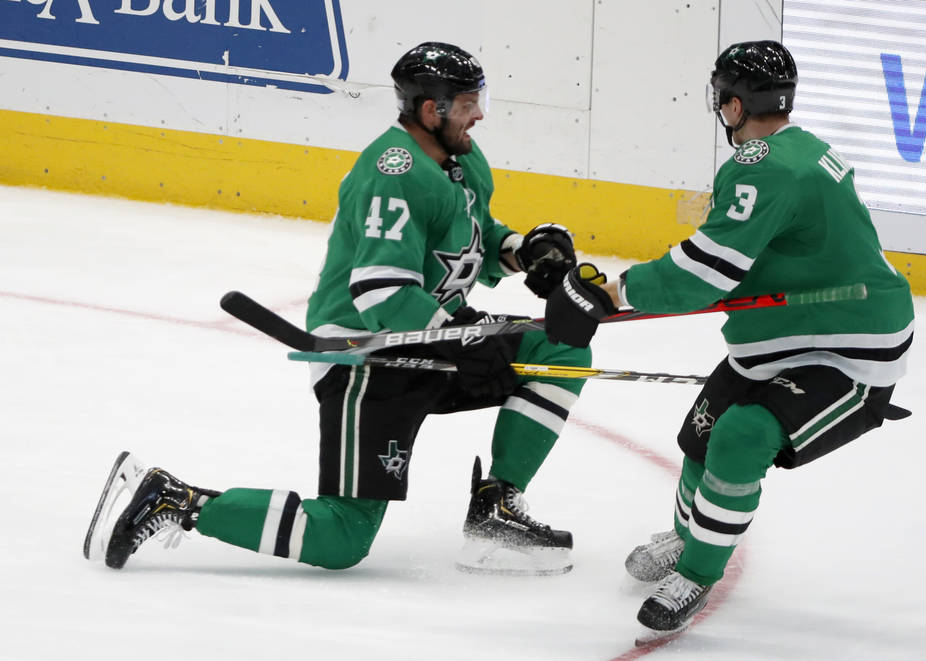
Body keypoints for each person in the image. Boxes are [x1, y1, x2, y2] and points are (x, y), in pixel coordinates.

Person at [84, 41, 590, 577]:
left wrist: (523, 250)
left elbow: (472, 237)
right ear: (430, 109)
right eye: (467, 104)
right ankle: (175, 500)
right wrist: (462, 334)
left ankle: (497, 508)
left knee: (558, 349)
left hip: (425, 343)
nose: (479, 114)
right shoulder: (393, 174)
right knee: (342, 537)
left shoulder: (461, 158)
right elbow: (381, 291)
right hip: (364, 354)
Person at [543, 40, 915, 639]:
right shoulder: (801, 148)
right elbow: (755, 259)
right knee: (701, 438)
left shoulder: (763, 165)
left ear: (736, 104)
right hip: (784, 331)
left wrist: (610, 294)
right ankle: (692, 531)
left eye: (724, 98)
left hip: (850, 347)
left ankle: (697, 569)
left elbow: (703, 272)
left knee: (742, 437)